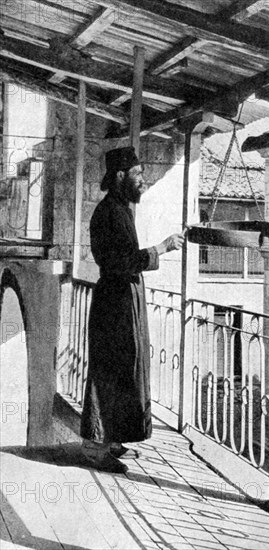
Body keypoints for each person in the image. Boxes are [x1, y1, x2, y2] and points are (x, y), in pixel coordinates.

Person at [80, 146, 185, 473]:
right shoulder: (110, 212)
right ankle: (98, 448)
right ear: (121, 176)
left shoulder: (119, 208)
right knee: (110, 370)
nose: (144, 180)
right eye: (139, 174)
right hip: (114, 303)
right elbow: (121, 261)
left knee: (124, 368)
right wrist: (162, 248)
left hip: (122, 301)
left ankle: (113, 439)